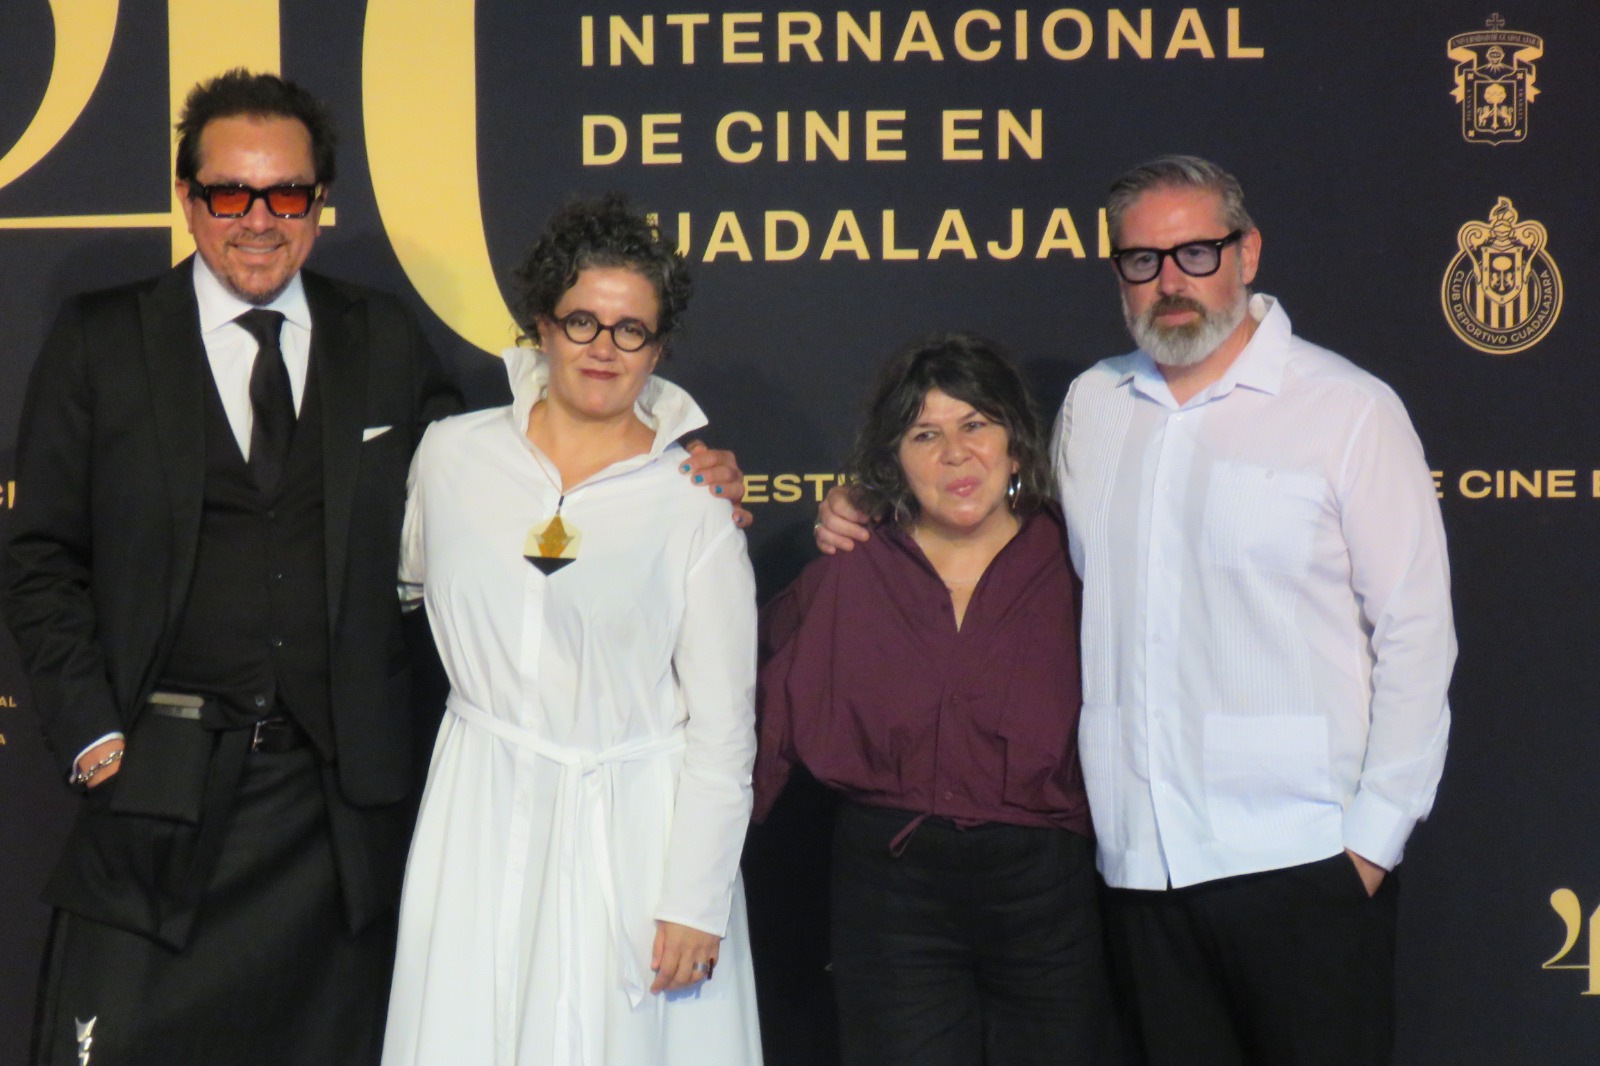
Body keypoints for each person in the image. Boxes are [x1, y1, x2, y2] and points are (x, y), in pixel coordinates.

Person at [1, 71, 743, 1066]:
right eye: (231, 193)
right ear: (189, 198)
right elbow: (41, 554)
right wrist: (95, 735)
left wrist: (684, 449)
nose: (258, 220)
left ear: (319, 204)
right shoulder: (102, 338)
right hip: (155, 791)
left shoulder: (381, 336)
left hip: (336, 810)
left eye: (287, 194)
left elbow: (523, 475)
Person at [817, 156, 1455, 1065]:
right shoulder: (1094, 403)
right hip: (1139, 870)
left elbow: (1418, 634)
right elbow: (993, 523)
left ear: (1248, 252)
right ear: (1116, 271)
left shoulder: (1346, 411)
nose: (1171, 282)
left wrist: (1371, 844)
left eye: (1196, 253)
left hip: (1303, 859)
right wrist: (867, 503)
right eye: (1142, 260)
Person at [381, 194, 762, 1066]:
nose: (603, 347)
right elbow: (407, 592)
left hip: (638, 833)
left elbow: (723, 728)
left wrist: (695, 899)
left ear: (659, 351)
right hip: (477, 812)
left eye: (632, 331)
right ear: (540, 326)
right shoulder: (449, 456)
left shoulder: (694, 502)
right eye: (582, 320)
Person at [758, 333, 1112, 1066]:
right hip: (892, 898)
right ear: (894, 459)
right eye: (926, 434)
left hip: (1048, 895)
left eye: (975, 425)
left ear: (1015, 444)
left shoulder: (1084, 559)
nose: (955, 454)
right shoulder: (849, 573)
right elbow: (751, 713)